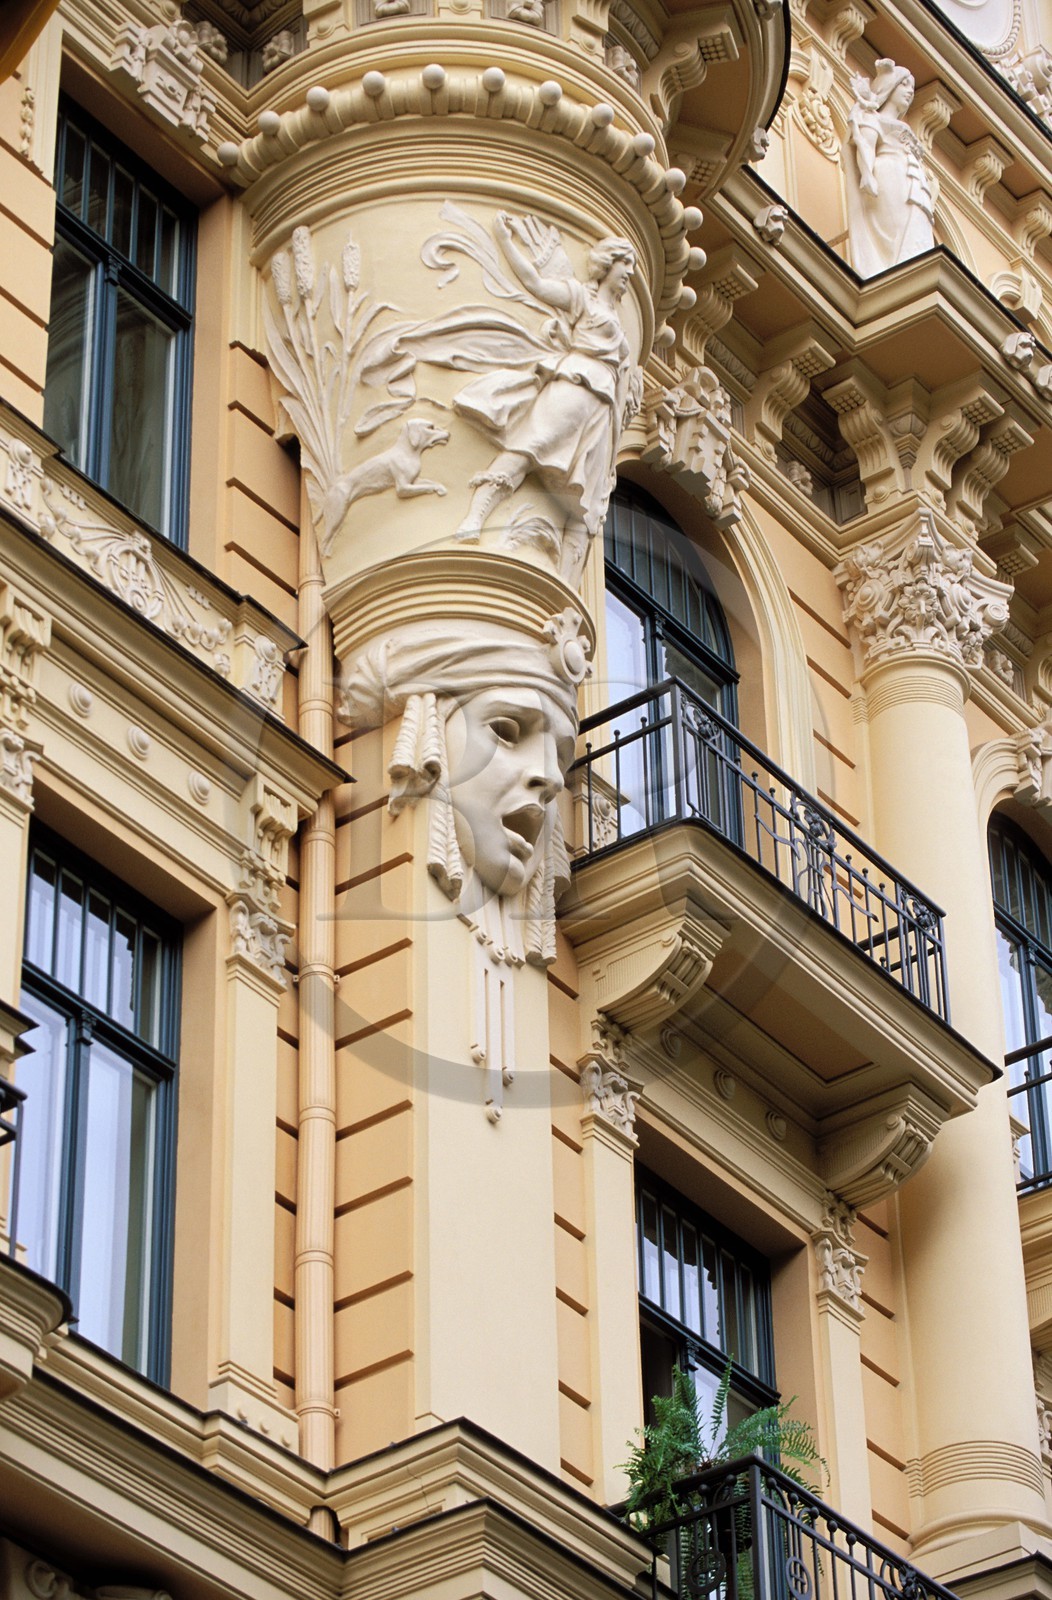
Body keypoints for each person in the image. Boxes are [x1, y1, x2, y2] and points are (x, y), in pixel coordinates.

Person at [453, 215, 642, 542]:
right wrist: (505, 240)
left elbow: (621, 380)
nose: (629, 273)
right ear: (608, 264)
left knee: (582, 502)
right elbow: (536, 283)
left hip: (600, 407)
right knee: (529, 447)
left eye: (631, 266)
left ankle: (561, 571)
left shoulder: (616, 319)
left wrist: (614, 446)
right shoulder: (583, 297)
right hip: (575, 384)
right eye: (624, 263)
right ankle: (475, 517)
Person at [846, 59, 935, 277]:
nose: (910, 92)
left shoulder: (898, 124)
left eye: (912, 88)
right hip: (890, 176)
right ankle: (891, 272)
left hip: (913, 184)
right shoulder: (872, 116)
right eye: (904, 85)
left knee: (916, 231)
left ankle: (913, 278)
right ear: (890, 86)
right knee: (896, 233)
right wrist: (866, 174)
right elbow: (865, 143)